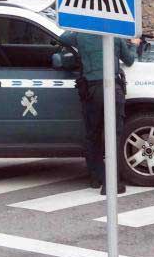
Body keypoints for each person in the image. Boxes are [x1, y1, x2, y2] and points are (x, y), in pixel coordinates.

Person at [59, 31, 139, 194]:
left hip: (92, 90)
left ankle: (96, 178)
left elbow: (63, 37)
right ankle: (113, 183)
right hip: (113, 89)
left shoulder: (80, 36)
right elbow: (129, 60)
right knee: (114, 136)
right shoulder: (114, 35)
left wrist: (76, 24)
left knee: (92, 135)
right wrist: (134, 45)